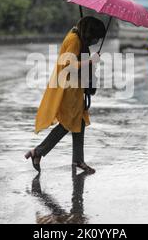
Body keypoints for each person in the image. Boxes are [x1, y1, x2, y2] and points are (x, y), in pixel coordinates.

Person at [25, 16, 106, 174]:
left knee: (79, 121)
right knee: (67, 124)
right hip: (68, 88)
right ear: (89, 33)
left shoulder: (77, 37)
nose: (96, 41)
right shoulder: (74, 40)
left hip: (75, 87)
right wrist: (91, 61)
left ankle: (78, 160)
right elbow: (69, 65)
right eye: (96, 38)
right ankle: (38, 152)